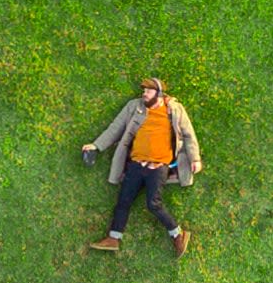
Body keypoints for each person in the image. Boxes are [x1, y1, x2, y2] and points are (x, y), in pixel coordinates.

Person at [82, 75, 202, 255]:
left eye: (148, 91)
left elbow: (188, 134)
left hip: (158, 167)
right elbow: (116, 128)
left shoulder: (175, 110)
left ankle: (178, 234)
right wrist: (96, 146)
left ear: (159, 94)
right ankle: (113, 238)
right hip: (136, 165)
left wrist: (195, 158)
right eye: (144, 90)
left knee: (153, 204)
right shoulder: (134, 107)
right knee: (123, 200)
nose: (144, 94)